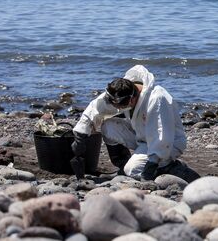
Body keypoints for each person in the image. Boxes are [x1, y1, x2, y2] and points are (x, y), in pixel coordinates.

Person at [70, 65, 200, 183]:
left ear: (131, 100)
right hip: (142, 138)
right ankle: (123, 166)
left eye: (120, 107)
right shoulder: (122, 90)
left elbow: (162, 136)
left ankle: (170, 167)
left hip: (169, 143)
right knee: (108, 126)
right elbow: (95, 108)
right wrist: (80, 135)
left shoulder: (157, 99)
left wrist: (151, 165)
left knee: (133, 170)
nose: (118, 109)